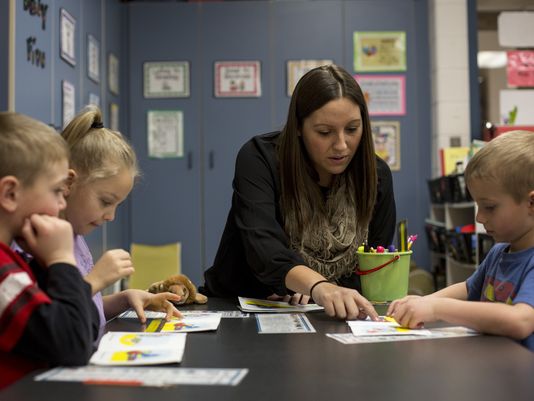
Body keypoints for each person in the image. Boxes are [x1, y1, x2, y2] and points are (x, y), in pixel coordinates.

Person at [202, 65, 397, 320]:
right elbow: (264, 249)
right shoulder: (260, 159)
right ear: (298, 127)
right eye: (324, 132)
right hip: (243, 308)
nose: (341, 145)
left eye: (352, 129)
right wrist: (316, 285)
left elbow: (373, 260)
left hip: (329, 314)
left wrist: (327, 292)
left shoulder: (376, 174)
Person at [387, 131, 534, 350]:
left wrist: (436, 308)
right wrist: (422, 302)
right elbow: (467, 288)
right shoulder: (499, 253)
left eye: (489, 207)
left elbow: (520, 321)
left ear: (531, 203)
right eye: (477, 206)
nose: (479, 217)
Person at [60, 106, 182, 336]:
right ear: (68, 183)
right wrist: (95, 280)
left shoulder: (75, 237)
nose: (111, 216)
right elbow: (49, 319)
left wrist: (125, 298)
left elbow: (86, 308)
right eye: (105, 201)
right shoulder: (36, 246)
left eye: (117, 205)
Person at [0, 112, 99, 389]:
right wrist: (62, 259)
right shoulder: (2, 272)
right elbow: (73, 346)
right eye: (56, 191)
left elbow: (85, 328)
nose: (61, 205)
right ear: (10, 194)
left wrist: (51, 264)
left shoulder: (15, 261)